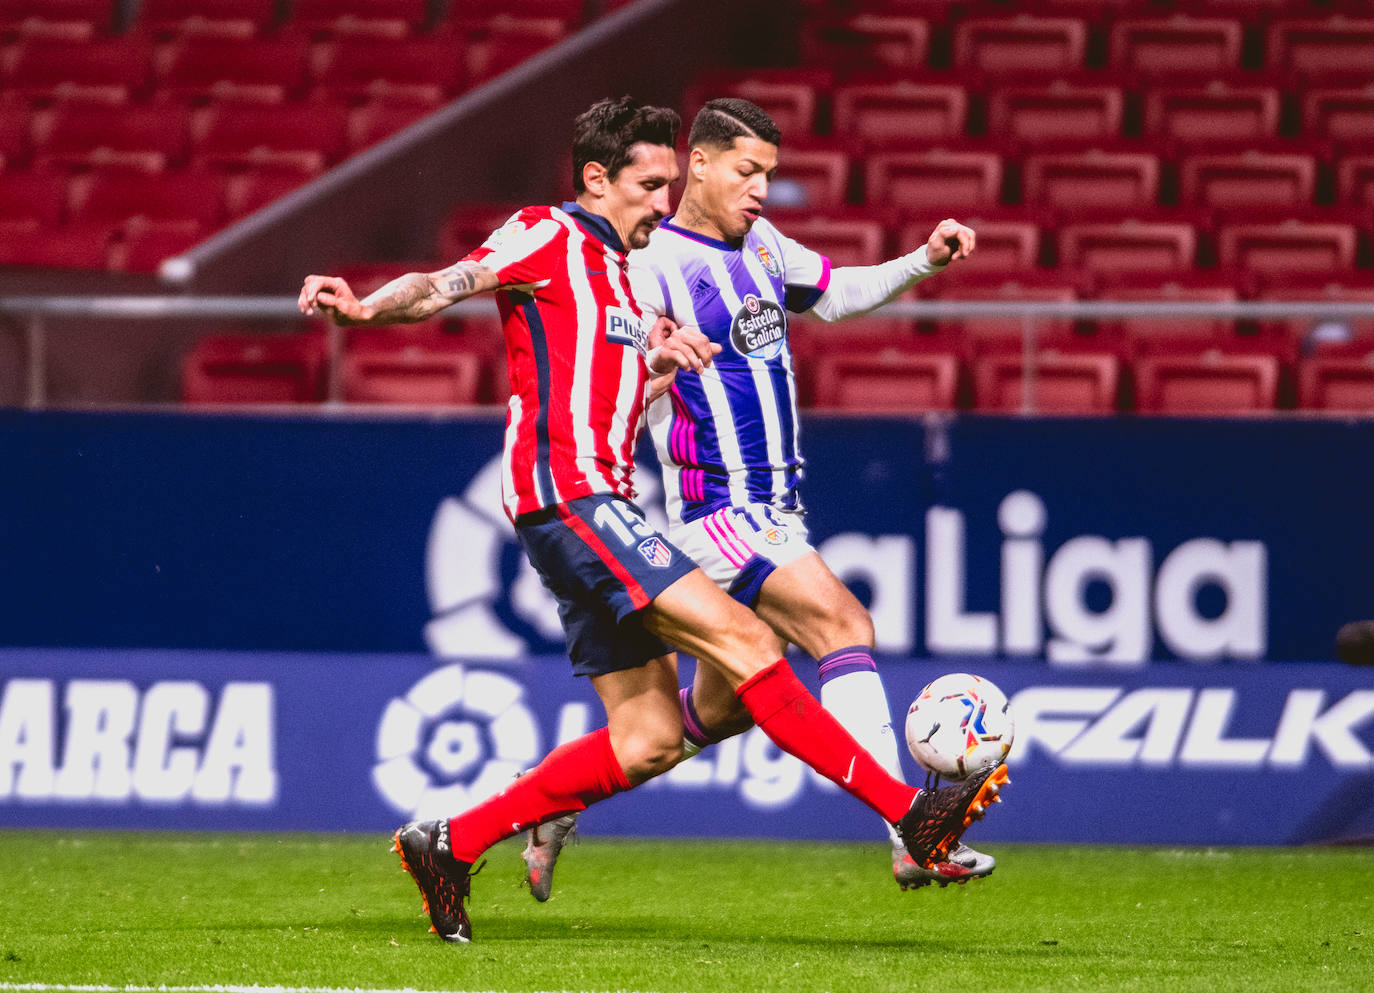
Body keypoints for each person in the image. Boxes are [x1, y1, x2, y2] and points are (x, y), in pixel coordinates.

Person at [299, 96, 1006, 945]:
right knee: (753, 644)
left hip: (599, 504)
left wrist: (660, 367)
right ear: (597, 179)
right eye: (649, 183)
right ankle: (908, 817)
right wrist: (369, 308)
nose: (662, 201)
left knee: (648, 739)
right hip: (570, 497)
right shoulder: (547, 235)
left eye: (669, 183)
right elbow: (447, 283)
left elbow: (612, 395)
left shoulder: (627, 283)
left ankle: (451, 842)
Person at [518, 97, 993, 900]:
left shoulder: (763, 244)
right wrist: (660, 364)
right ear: (696, 165)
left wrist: (923, 259)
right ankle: (911, 829)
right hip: (721, 511)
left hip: (777, 510)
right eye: (747, 171)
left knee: (709, 715)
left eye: (769, 174)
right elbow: (610, 360)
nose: (761, 189)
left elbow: (837, 293)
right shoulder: (647, 263)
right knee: (842, 623)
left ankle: (553, 797)